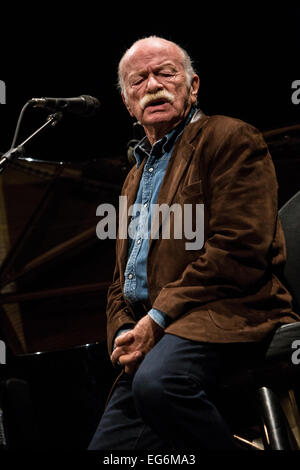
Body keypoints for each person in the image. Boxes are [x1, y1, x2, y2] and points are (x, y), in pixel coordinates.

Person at [88, 36, 299, 450]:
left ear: (193, 85)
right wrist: (126, 330)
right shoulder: (134, 177)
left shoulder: (229, 138)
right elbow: (121, 279)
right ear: (128, 104)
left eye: (165, 73)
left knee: (160, 384)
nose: (153, 85)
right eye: (138, 81)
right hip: (159, 331)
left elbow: (240, 246)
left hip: (229, 313)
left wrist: (158, 317)